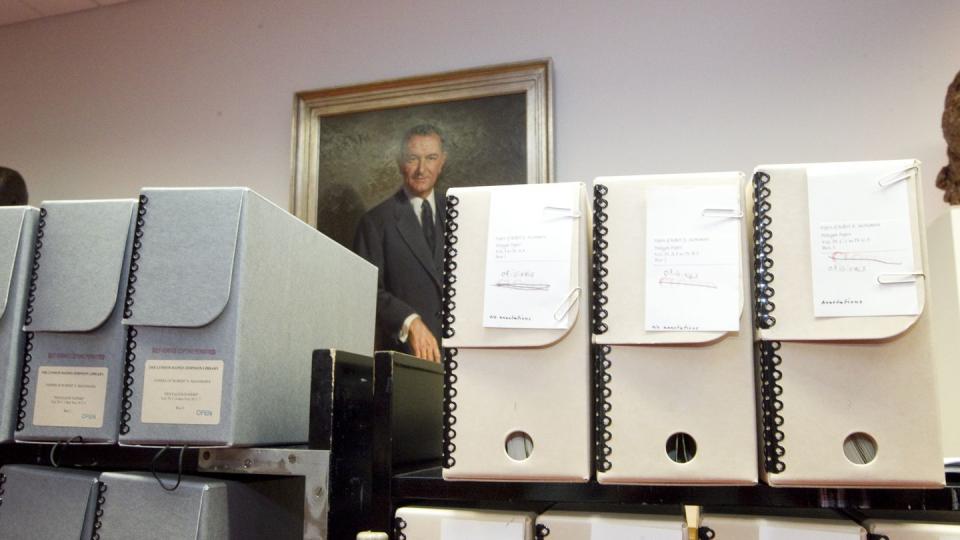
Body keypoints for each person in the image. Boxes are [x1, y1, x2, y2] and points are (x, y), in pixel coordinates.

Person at [354, 124, 446, 362]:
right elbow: (366, 291)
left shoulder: (461, 213)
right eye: (412, 159)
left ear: (442, 162)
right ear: (399, 162)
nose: (421, 169)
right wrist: (409, 321)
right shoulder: (375, 222)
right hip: (406, 359)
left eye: (431, 158)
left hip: (466, 363)